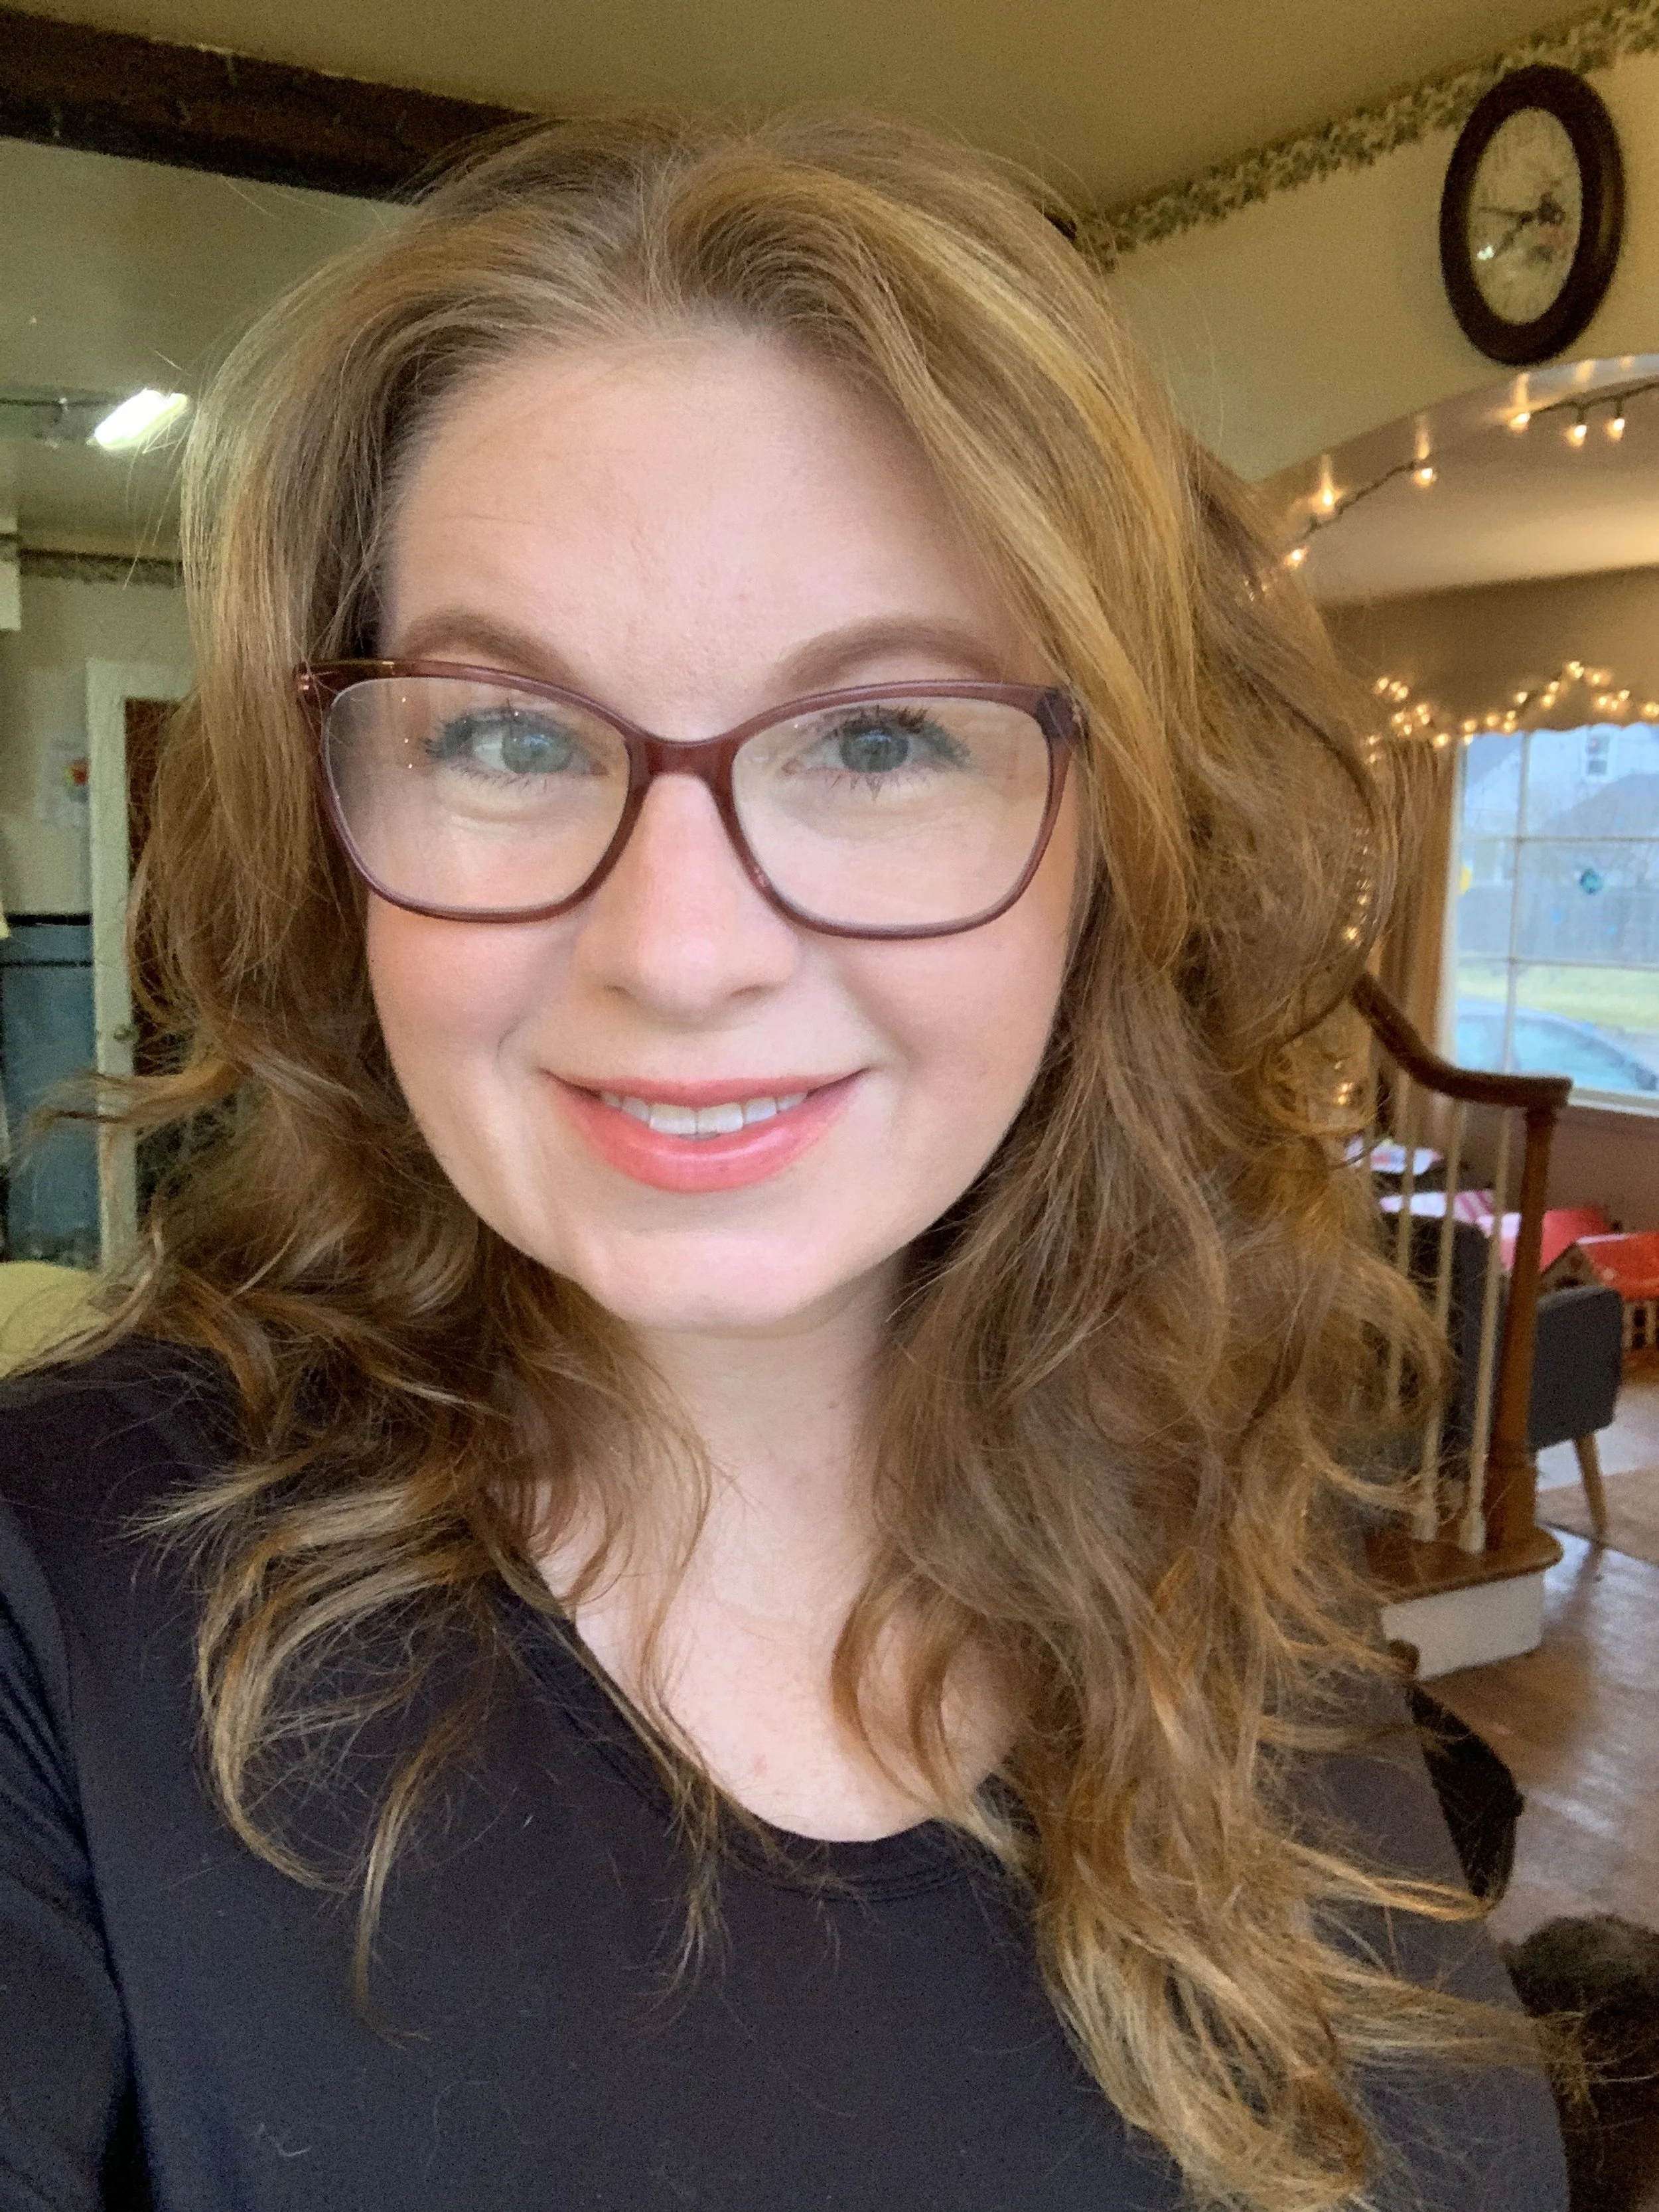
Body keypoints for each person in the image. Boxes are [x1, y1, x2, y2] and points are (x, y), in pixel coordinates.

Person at [0, 114, 1564, 2212]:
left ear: (1115, 841)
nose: (678, 950)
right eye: (503, 731)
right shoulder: (59, 1617)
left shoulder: (1212, 1535)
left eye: (880, 736)